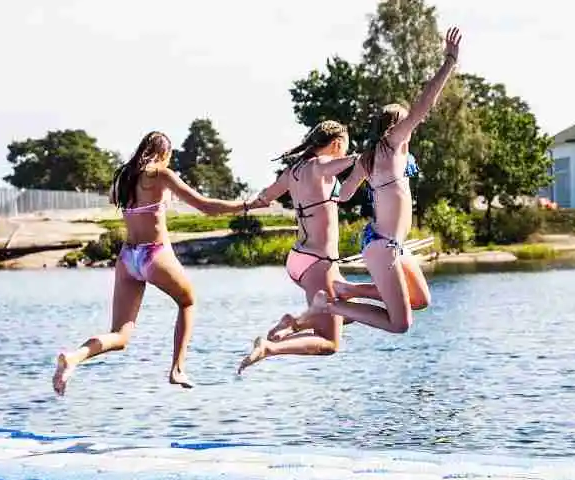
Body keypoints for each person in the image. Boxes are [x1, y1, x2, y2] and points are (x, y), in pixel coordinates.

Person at [294, 26, 462, 338]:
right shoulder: (390, 144)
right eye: (407, 121)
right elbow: (424, 105)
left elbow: (344, 195)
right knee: (400, 324)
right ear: (395, 126)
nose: (413, 125)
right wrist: (449, 62)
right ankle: (329, 306)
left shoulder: (369, 158)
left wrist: (321, 193)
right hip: (382, 245)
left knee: (421, 299)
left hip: (392, 244)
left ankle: (346, 290)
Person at [52, 130, 249, 395]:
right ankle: (177, 369)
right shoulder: (161, 174)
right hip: (154, 254)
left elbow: (116, 199)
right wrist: (247, 205)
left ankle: (74, 357)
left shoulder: (124, 176)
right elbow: (205, 207)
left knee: (120, 336)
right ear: (164, 153)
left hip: (127, 258)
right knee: (188, 302)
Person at [236, 120, 383, 374]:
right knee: (330, 343)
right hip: (318, 263)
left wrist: (242, 206)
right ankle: (270, 347)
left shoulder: (293, 171)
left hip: (300, 259)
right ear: (337, 144)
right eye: (344, 146)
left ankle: (293, 323)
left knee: (350, 310)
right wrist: (370, 155)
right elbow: (349, 162)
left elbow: (265, 197)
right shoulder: (320, 165)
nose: (345, 151)